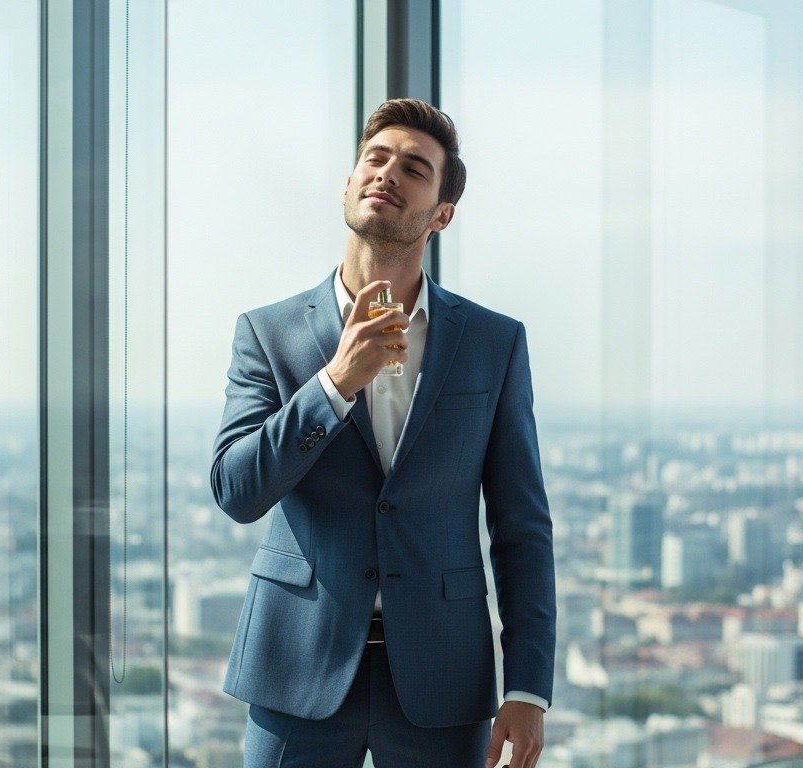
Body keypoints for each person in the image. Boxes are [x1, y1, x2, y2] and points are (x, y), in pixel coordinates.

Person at [211, 99, 556, 768]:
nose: (387, 172)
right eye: (376, 158)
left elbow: (521, 527)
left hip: (441, 674)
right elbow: (236, 490)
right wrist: (335, 383)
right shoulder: (267, 334)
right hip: (295, 668)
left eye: (415, 168)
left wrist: (528, 687)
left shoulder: (493, 343)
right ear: (348, 183)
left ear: (441, 214)